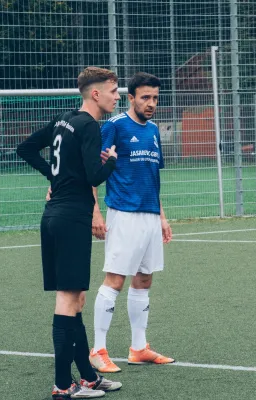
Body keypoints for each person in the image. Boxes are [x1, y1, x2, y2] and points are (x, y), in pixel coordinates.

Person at [17, 66, 123, 399]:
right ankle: (63, 386)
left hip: (53, 218)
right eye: (113, 91)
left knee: (76, 299)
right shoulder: (90, 125)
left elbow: (26, 148)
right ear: (96, 94)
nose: (116, 96)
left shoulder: (64, 119)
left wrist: (54, 178)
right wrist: (112, 161)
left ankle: (88, 378)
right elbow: (94, 176)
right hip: (71, 218)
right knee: (67, 300)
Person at [88, 72, 174, 374]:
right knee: (115, 280)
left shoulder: (152, 131)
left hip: (150, 216)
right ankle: (97, 349)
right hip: (123, 214)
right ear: (131, 98)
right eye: (145, 98)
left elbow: (153, 178)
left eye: (155, 99)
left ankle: (138, 348)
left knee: (144, 279)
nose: (151, 104)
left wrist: (162, 218)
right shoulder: (114, 127)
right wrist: (95, 212)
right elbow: (93, 171)